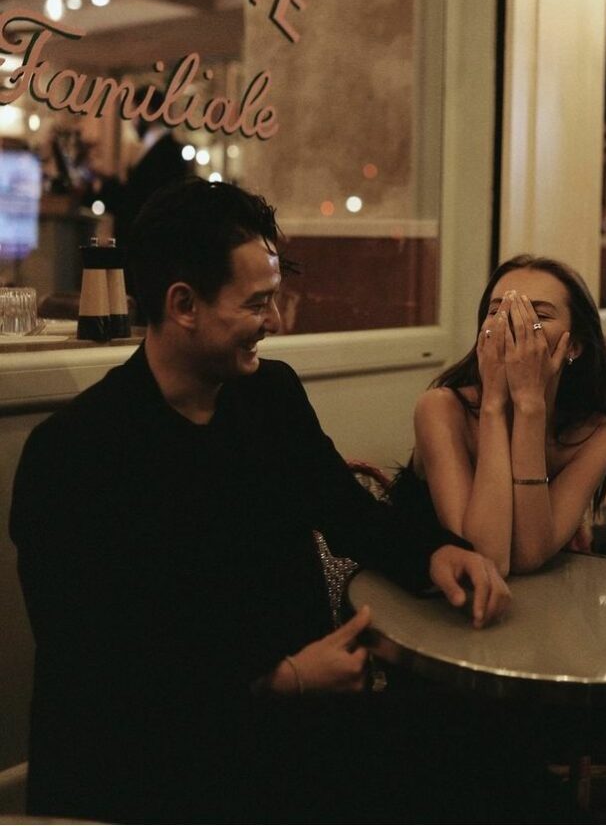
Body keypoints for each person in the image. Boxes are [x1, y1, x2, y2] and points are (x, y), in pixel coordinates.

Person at [9, 177, 509, 824]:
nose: (272, 323)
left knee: (489, 742)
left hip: (291, 718)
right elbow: (101, 671)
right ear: (183, 303)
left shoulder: (268, 395)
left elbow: (348, 512)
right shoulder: (75, 454)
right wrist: (286, 678)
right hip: (166, 763)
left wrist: (438, 553)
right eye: (255, 304)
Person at [394, 254, 606, 575]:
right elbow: (486, 558)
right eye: (498, 312)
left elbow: (530, 555)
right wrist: (493, 404)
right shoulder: (441, 408)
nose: (515, 326)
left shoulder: (597, 435)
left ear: (573, 346)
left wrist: (530, 407)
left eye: (538, 316)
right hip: (429, 596)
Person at [86, 83, 190, 254]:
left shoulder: (167, 152)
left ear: (149, 111)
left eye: (134, 112)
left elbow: (142, 199)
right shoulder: (153, 147)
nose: (132, 120)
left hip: (148, 246)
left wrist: (105, 186)